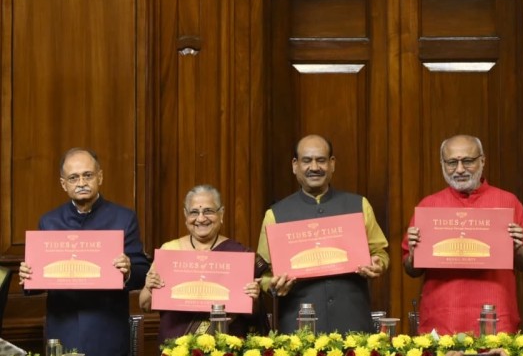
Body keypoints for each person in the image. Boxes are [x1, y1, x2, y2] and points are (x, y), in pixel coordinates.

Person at [18, 148, 149, 356]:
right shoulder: (49, 222)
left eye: (87, 175)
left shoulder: (124, 218)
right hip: (63, 328)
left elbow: (142, 272)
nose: (81, 183)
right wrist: (28, 277)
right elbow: (37, 280)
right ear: (64, 184)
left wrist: (128, 270)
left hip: (108, 330)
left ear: (100, 177)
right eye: (73, 178)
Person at [402, 134, 523, 335]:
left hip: (495, 318)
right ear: (442, 164)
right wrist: (414, 254)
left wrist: (516, 248)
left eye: (467, 161)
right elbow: (411, 270)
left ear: (482, 161)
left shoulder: (508, 202)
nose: (459, 169)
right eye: (451, 162)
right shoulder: (428, 206)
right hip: (441, 318)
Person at [256, 134, 389, 334]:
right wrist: (273, 286)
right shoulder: (275, 215)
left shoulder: (359, 206)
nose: (314, 167)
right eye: (306, 161)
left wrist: (378, 264)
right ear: (295, 165)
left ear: (332, 164)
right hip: (298, 330)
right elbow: (264, 274)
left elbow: (381, 253)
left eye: (321, 160)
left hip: (353, 325)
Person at [140, 184, 269, 345]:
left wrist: (253, 299)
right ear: (185, 215)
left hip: (225, 347)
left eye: (208, 211)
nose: (201, 218)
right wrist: (150, 288)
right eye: (194, 212)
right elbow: (144, 305)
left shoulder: (239, 255)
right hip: (175, 346)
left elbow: (255, 314)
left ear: (221, 213)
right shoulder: (170, 251)